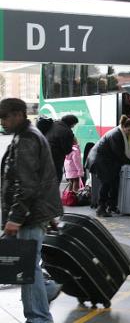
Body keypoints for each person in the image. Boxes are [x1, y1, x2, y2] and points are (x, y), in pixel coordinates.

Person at [0, 98, 63, 322]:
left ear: (18, 114)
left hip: (28, 215)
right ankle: (46, 290)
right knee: (28, 265)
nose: (2, 122)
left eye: (5, 117)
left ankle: (38, 317)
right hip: (35, 213)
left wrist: (15, 219)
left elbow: (26, 186)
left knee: (27, 267)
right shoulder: (28, 135)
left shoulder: (27, 139)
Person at [86, 115, 130, 217]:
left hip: (107, 161)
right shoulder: (116, 134)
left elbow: (128, 150)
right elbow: (118, 152)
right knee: (106, 183)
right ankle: (101, 208)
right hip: (99, 160)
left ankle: (112, 206)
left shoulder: (122, 134)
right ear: (123, 127)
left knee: (114, 182)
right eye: (129, 130)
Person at [44, 114, 78, 182]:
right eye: (74, 124)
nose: (73, 126)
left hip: (45, 154)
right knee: (56, 177)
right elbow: (67, 150)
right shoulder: (66, 131)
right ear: (71, 123)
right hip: (56, 158)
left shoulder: (54, 124)